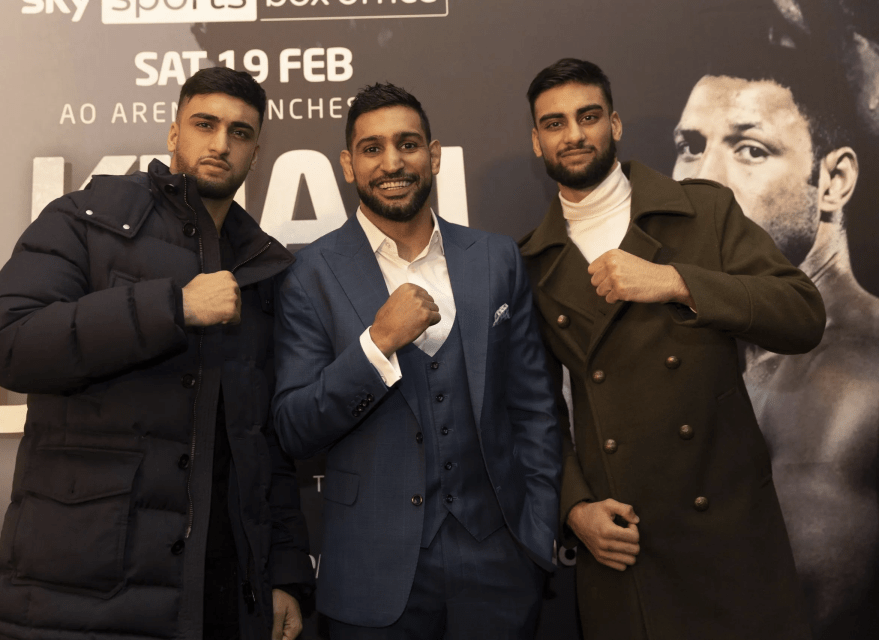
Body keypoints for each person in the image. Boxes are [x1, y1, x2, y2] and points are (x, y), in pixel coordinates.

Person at [0, 67, 313, 640]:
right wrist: (171, 308)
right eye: (204, 124)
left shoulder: (262, 265)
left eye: (240, 132)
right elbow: (9, 342)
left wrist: (282, 569)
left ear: (256, 152)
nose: (219, 144)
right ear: (172, 133)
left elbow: (263, 443)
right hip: (82, 596)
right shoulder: (85, 218)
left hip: (221, 596)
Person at [519, 58, 825, 640]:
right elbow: (534, 413)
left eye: (588, 116)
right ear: (537, 142)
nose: (574, 134)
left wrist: (677, 282)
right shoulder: (530, 262)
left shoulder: (703, 211)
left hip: (728, 539)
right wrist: (576, 508)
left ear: (616, 123)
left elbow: (802, 315)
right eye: (554, 123)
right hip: (625, 545)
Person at [271, 83, 560, 639]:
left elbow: (535, 408)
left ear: (435, 154)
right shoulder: (310, 275)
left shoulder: (496, 257)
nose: (393, 162)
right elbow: (294, 428)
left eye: (408, 144)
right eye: (373, 148)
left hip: (498, 565)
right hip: (372, 574)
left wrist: (537, 528)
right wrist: (376, 344)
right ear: (348, 165)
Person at [672, 25, 879, 637]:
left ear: (833, 183)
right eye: (690, 145)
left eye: (750, 149)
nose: (700, 180)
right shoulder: (722, 340)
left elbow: (785, 614)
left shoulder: (849, 374)